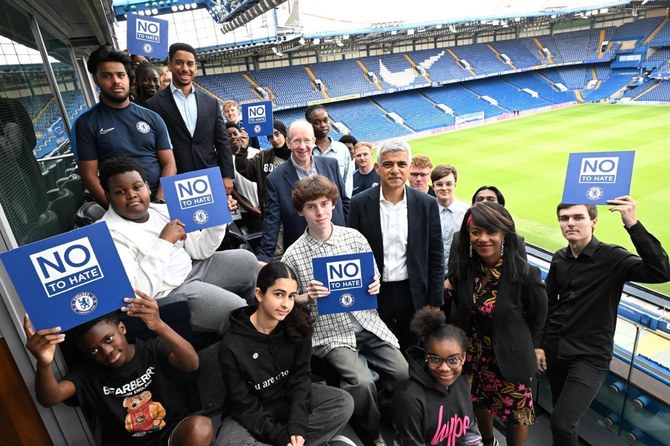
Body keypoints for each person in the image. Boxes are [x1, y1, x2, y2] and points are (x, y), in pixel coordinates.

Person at [281, 175, 408, 446]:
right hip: (331, 334)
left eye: (325, 204)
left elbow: (373, 277)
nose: (320, 212)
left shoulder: (354, 238)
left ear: (333, 205)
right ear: (301, 211)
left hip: (367, 323)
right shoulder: (292, 255)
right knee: (361, 384)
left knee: (402, 372)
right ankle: (372, 433)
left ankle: (387, 411)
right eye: (311, 206)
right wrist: (305, 296)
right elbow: (286, 303)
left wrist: (374, 285)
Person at [540, 197, 670, 446]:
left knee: (562, 422)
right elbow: (550, 304)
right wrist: (540, 344)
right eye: (564, 218)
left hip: (590, 356)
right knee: (559, 414)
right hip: (556, 350)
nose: (570, 223)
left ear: (594, 222)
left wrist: (632, 224)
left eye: (578, 217)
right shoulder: (559, 258)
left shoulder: (612, 257)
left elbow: (661, 271)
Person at [23, 291, 213, 445]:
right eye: (94, 350)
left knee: (200, 428)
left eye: (109, 339)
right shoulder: (88, 373)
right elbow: (50, 398)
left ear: (122, 328)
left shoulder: (150, 348)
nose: (107, 351)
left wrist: (159, 325)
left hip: (170, 431)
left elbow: (191, 363)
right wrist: (44, 363)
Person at [99, 156, 258, 336]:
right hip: (169, 293)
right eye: (120, 191)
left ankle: (250, 323)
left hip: (192, 268)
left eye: (137, 187)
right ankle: (247, 334)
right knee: (236, 309)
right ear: (108, 196)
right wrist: (164, 242)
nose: (132, 195)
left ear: (146, 185)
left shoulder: (161, 210)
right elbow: (136, 294)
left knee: (247, 262)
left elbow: (199, 250)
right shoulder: (108, 235)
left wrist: (219, 217)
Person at [216, 262, 355, 446]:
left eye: (291, 296)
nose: (286, 304)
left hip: (289, 400)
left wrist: (297, 425)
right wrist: (280, 436)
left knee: (343, 403)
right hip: (252, 411)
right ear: (259, 294)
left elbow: (301, 378)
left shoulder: (298, 326)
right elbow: (243, 404)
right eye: (278, 294)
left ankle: (296, 440)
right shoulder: (232, 345)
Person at [450, 202, 547, 446]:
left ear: (503, 234)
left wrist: (535, 346)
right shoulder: (464, 269)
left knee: (517, 413)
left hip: (511, 355)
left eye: (491, 232)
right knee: (480, 401)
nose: (483, 239)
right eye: (476, 232)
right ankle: (488, 441)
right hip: (474, 354)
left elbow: (539, 313)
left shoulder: (524, 273)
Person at [348, 139, 444, 352]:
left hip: (412, 293)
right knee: (378, 350)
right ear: (377, 168)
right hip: (373, 292)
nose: (395, 170)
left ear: (409, 168)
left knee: (413, 350)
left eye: (401, 164)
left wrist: (435, 303)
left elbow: (436, 255)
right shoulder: (359, 203)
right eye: (388, 164)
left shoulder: (427, 204)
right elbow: (351, 252)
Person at [72, 45, 176, 207]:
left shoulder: (152, 118)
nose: (115, 81)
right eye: (107, 75)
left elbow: (169, 163)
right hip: (122, 207)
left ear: (129, 79)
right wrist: (115, 209)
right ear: (96, 80)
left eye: (121, 75)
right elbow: (89, 176)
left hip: (160, 201)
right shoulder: (86, 123)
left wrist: (161, 201)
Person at [256, 120, 349, 263]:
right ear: (288, 142)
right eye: (296, 141)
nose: (302, 146)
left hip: (339, 245)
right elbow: (272, 221)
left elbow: (344, 202)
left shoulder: (331, 165)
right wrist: (264, 256)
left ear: (313, 141)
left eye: (306, 140)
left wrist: (352, 235)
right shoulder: (275, 179)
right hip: (303, 254)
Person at [146, 43, 234, 195]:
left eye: (190, 64)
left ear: (195, 67)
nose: (185, 68)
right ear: (170, 65)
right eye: (179, 62)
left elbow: (221, 142)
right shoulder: (153, 104)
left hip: (210, 177)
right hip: (176, 181)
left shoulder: (211, 102)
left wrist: (227, 175)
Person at [392, 308, 483, 446]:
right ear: (426, 356)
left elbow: (470, 434)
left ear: (463, 357)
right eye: (435, 359)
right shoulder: (409, 397)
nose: (444, 368)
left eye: (453, 360)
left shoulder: (462, 383)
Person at [234, 119, 291, 213]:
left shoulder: (298, 154)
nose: (275, 139)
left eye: (277, 134)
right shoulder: (263, 157)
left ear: (284, 133)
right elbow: (243, 167)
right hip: (274, 211)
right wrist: (243, 148)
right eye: (270, 137)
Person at [305, 104, 354, 197]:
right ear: (309, 125)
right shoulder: (305, 151)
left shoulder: (342, 149)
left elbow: (347, 182)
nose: (323, 125)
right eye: (317, 122)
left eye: (325, 120)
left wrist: (345, 207)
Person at [432, 164, 468, 277]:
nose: (444, 188)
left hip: (459, 276)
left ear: (455, 185)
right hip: (432, 276)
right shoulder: (425, 211)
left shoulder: (466, 212)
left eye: (448, 184)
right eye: (439, 184)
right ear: (433, 186)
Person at [226, 122, 262, 231]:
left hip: (266, 206)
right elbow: (233, 190)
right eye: (228, 135)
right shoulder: (224, 161)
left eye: (235, 133)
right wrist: (250, 208)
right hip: (247, 211)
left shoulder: (257, 153)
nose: (233, 137)